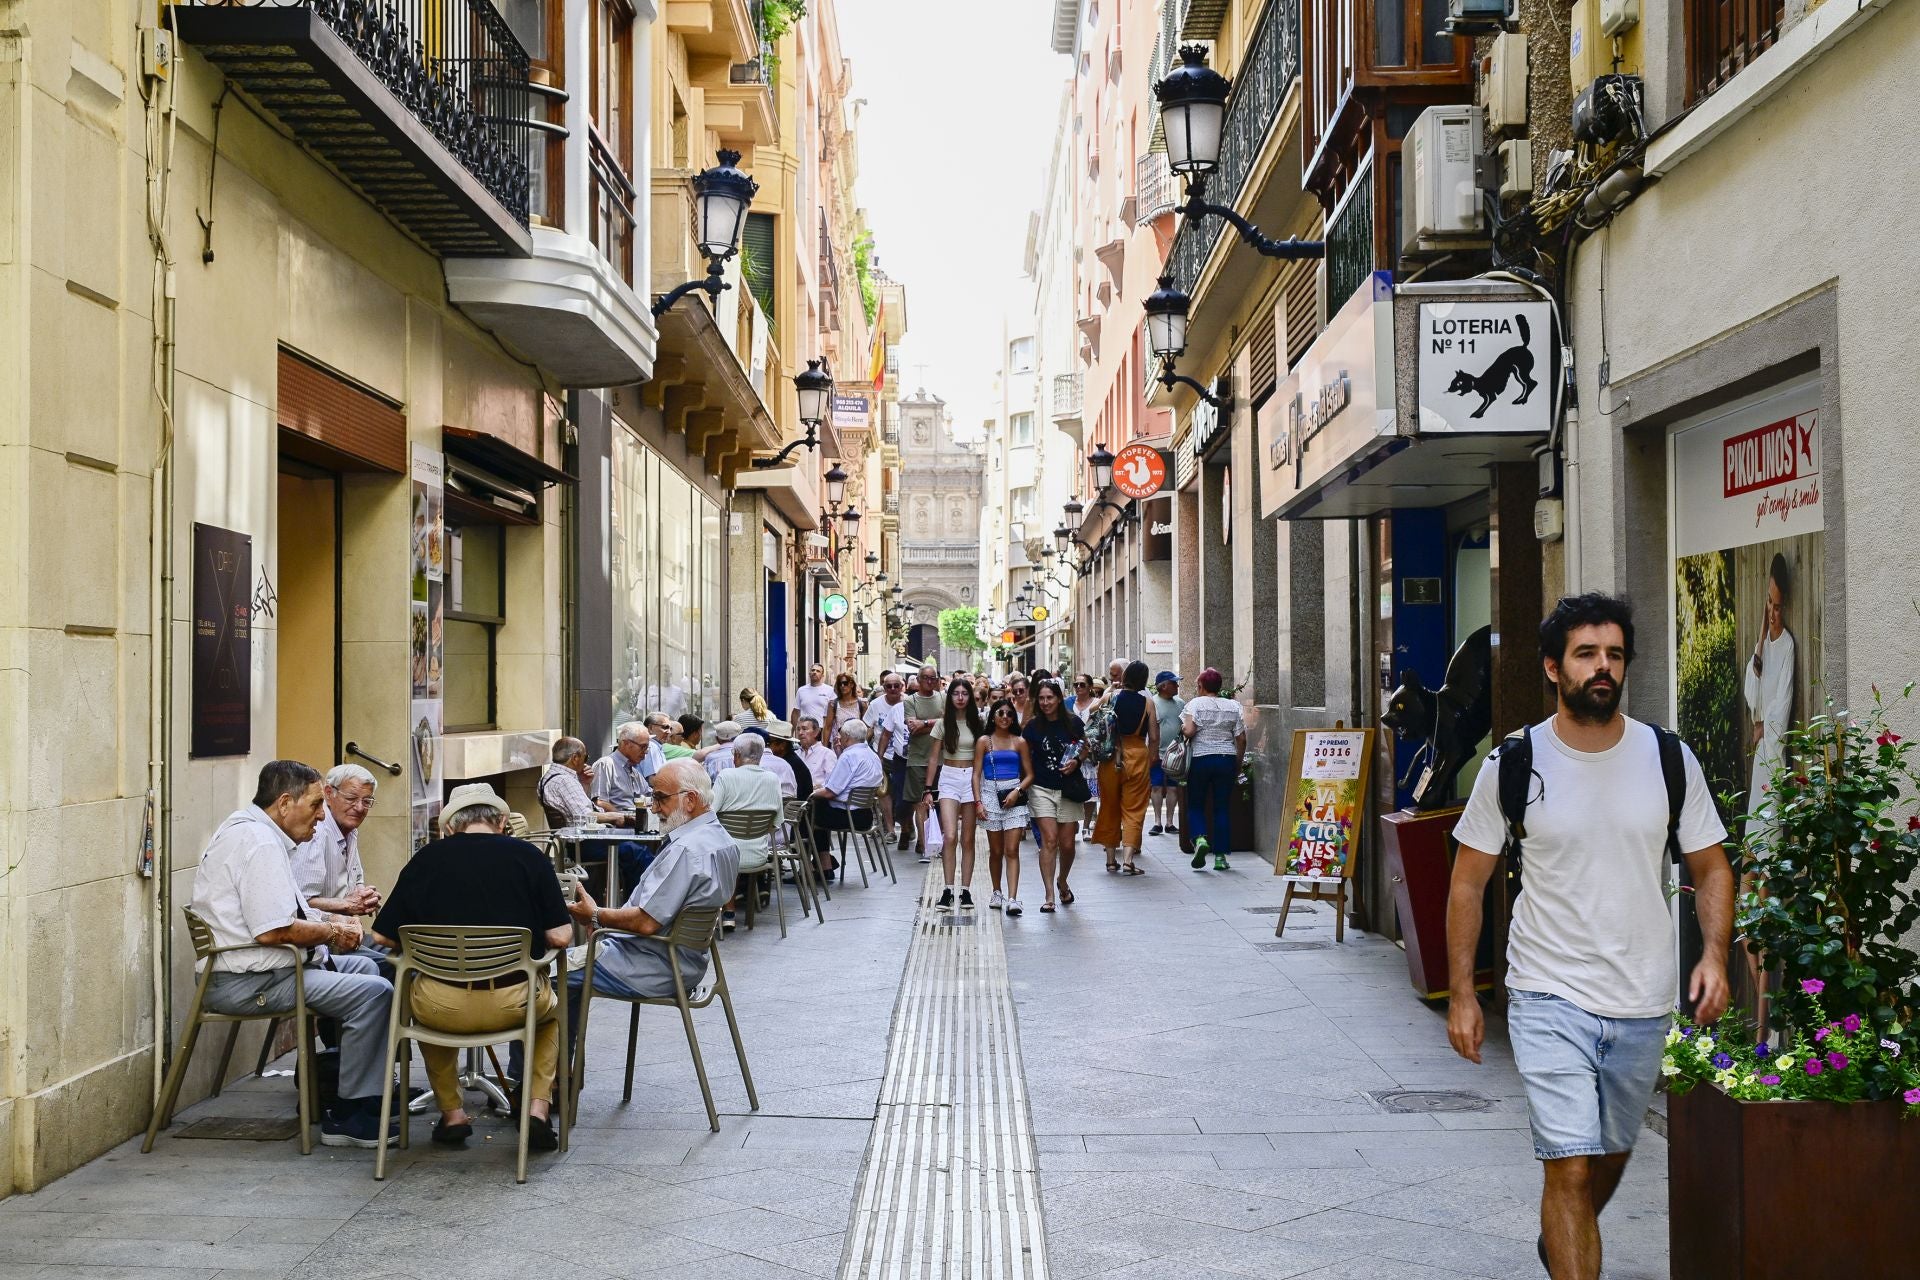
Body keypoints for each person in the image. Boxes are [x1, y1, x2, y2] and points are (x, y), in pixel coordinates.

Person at [1445, 593, 1733, 1280]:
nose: (1603, 667)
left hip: (1642, 996)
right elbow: (1467, 884)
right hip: (1547, 992)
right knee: (1569, 1166)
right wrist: (1462, 993)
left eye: (1614, 655)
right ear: (1553, 667)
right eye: (1586, 654)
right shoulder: (1514, 763)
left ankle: (1563, 1232)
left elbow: (1712, 867)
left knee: (1607, 1159)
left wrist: (1715, 956)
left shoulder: (1668, 758)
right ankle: (1568, 1223)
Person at [190, 761, 396, 1148]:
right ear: (285, 803)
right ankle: (350, 1114)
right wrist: (333, 930)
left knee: (368, 967)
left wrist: (332, 925)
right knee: (376, 992)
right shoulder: (261, 844)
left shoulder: (253, 831)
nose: (321, 815)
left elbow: (285, 915)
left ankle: (352, 1089)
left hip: (261, 968)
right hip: (250, 981)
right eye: (316, 804)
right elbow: (274, 931)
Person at [369, 784, 571, 1150]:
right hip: (516, 1002)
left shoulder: (425, 860)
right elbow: (560, 936)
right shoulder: (530, 857)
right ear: (502, 822)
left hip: (440, 1005)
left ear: (449, 827)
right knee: (551, 1017)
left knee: (422, 1002)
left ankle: (452, 1114)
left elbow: (382, 937)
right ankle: (537, 1110)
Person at [565, 761, 741, 1043]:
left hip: (655, 963)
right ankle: (561, 1068)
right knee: (564, 974)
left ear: (690, 800)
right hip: (683, 960)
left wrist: (596, 915)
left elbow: (646, 922)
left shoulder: (687, 849)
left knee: (547, 976)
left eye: (660, 798)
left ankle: (541, 1071)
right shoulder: (721, 839)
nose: (654, 808)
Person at [288, 765, 384, 962]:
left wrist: (364, 898)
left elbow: (355, 884)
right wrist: (347, 906)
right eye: (351, 798)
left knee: (404, 950)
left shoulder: (350, 830)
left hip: (345, 932)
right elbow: (299, 904)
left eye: (367, 801)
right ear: (329, 793)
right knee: (391, 964)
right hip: (319, 941)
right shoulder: (316, 833)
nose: (359, 808)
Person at [1744, 552, 1796, 846]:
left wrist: (1764, 726)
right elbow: (1752, 695)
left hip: (1773, 750)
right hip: (1761, 750)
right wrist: (1761, 641)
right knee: (1754, 826)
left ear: (1783, 606)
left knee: (1768, 826)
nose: (1772, 613)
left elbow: (1783, 701)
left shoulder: (1787, 646)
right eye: (1769, 603)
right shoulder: (1761, 645)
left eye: (1777, 606)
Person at [1024, 680, 1086, 912]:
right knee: (1049, 840)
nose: (1045, 702)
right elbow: (1024, 755)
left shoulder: (1073, 723)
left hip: (1068, 788)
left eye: (1049, 697)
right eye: (1041, 698)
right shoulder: (1032, 727)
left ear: (1059, 698)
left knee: (1067, 845)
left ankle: (1062, 880)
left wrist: (1076, 761)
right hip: (1041, 788)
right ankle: (1049, 895)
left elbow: (1085, 747)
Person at [924, 678, 985, 910]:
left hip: (971, 778)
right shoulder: (943, 724)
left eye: (964, 693)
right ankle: (948, 889)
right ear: (949, 697)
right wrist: (928, 789)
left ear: (970, 697)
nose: (960, 697)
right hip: (949, 777)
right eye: (956, 693)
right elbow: (933, 758)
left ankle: (965, 890)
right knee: (949, 836)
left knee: (968, 838)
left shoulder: (977, 723)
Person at [713, 734, 785, 930]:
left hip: (725, 857)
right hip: (759, 855)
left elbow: (710, 814)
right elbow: (776, 823)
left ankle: (725, 912)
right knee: (734, 846)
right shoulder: (772, 779)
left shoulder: (726, 776)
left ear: (736, 755)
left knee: (724, 846)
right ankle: (731, 909)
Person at [1092, 661, 1157, 874]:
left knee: (1109, 806)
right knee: (1134, 809)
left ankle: (1111, 860)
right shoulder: (1148, 703)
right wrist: (1152, 760)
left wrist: (1108, 692)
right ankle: (1128, 860)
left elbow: (1091, 712)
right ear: (1143, 681)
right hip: (1137, 756)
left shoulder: (1111, 697)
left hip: (1111, 757)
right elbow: (1154, 737)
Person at [976, 698, 1036, 916]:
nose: (1005, 717)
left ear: (1013, 719)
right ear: (993, 716)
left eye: (1009, 714)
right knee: (996, 851)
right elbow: (975, 774)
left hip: (1014, 796)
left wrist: (1017, 791)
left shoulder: (1019, 741)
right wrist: (978, 802)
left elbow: (1030, 775)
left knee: (1012, 850)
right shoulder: (984, 741)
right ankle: (996, 892)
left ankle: (1012, 898)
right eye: (1000, 713)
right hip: (990, 795)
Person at [1181, 669, 1245, 871]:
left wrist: (1182, 728)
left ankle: (1200, 839)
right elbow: (1241, 738)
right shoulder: (1233, 706)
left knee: (1196, 804)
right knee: (1221, 808)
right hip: (1226, 759)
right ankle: (1220, 857)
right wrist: (1238, 763)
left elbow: (1189, 731)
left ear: (1201, 686)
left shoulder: (1195, 704)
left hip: (1200, 759)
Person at [809, 719, 883, 879]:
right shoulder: (872, 754)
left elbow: (831, 792)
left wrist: (811, 793)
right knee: (817, 808)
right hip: (866, 814)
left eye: (841, 734)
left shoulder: (849, 756)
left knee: (810, 810)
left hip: (849, 816)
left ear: (847, 737)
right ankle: (824, 864)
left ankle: (820, 866)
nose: (838, 737)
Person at [899, 666, 945, 859]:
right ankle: (924, 844)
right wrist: (938, 723)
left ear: (937, 680)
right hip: (918, 759)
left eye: (932, 678)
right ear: (918, 679)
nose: (929, 681)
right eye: (925, 677)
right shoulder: (910, 701)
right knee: (920, 803)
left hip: (942, 758)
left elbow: (948, 723)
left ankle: (938, 842)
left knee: (941, 803)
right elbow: (913, 729)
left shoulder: (943, 698)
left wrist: (924, 723)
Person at [865, 673, 910, 840]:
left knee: (904, 795)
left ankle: (907, 825)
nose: (892, 689)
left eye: (896, 686)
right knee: (884, 793)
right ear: (883, 687)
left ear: (902, 686)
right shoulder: (875, 705)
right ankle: (890, 830)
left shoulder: (910, 703)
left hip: (904, 756)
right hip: (882, 754)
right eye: (888, 686)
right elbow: (868, 728)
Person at [1149, 672, 1186, 837]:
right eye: (1173, 683)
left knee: (1173, 788)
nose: (1177, 686)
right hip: (1157, 752)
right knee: (1156, 786)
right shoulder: (1152, 703)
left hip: (1176, 754)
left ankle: (1170, 822)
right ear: (1163, 686)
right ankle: (1157, 822)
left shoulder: (1181, 703)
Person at [824, 673, 865, 746]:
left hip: (856, 745)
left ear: (852, 684)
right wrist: (824, 748)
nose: (842, 686)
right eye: (840, 684)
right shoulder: (833, 704)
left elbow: (865, 728)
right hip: (838, 745)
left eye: (845, 683)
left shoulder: (862, 704)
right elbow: (827, 727)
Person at [795, 716, 837, 783]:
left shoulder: (827, 754)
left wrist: (821, 787)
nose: (800, 733)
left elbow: (833, 782)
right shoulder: (795, 754)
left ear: (816, 732)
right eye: (798, 729)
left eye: (804, 729)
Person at [794, 663, 834, 728]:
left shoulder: (830, 690)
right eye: (813, 670)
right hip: (805, 729)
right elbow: (796, 712)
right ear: (809, 673)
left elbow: (834, 713)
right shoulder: (801, 690)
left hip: (822, 729)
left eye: (818, 671)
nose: (815, 672)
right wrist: (795, 729)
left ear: (822, 675)